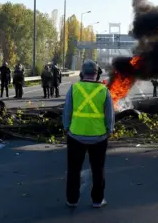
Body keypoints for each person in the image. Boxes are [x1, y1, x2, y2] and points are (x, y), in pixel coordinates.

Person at [62, 60, 115, 208]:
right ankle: (97, 200)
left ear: (81, 73)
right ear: (97, 74)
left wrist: (67, 128)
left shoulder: (74, 88)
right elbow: (110, 114)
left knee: (73, 170)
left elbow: (67, 111)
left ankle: (72, 200)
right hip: (99, 138)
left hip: (75, 136)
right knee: (98, 170)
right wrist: (109, 130)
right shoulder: (104, 90)